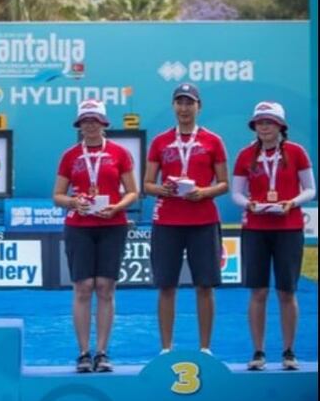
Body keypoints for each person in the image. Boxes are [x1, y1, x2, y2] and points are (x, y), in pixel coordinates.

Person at [53, 100, 139, 372]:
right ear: (79, 125)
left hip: (112, 225)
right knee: (82, 288)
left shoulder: (119, 153)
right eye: (85, 120)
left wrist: (118, 207)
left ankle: (102, 352)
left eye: (95, 120)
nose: (90, 124)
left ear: (104, 123)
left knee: (105, 287)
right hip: (79, 226)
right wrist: (73, 203)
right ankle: (83, 353)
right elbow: (57, 195)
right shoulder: (70, 155)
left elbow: (133, 191)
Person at [144, 83, 229, 355]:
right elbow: (147, 184)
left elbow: (224, 183)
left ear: (198, 107)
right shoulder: (160, 141)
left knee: (205, 285)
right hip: (167, 221)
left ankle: (205, 349)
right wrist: (163, 189)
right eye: (179, 102)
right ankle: (166, 349)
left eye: (189, 103)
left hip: (203, 221)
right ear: (173, 106)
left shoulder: (213, 141)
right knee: (166, 286)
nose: (184, 108)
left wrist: (203, 192)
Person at [231, 102, 315, 371]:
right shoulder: (245, 155)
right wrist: (250, 205)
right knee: (258, 291)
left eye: (269, 122)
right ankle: (258, 352)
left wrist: (291, 202)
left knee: (286, 291)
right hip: (255, 229)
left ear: (281, 126)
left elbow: (310, 189)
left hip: (288, 229)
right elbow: (236, 193)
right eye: (259, 122)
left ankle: (289, 352)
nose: (264, 127)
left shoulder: (296, 152)